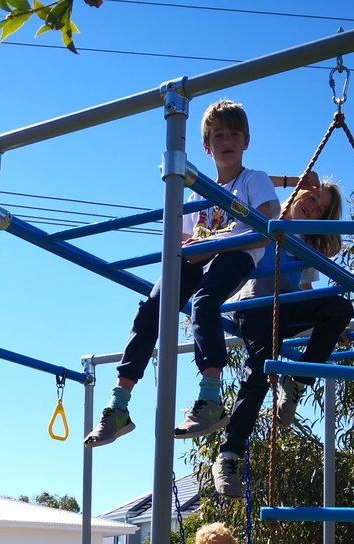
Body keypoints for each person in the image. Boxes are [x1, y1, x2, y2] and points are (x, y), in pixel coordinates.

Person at [84, 99, 279, 448]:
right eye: (218, 135)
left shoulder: (253, 179)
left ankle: (211, 398)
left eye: (234, 134)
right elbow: (184, 238)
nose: (226, 141)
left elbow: (267, 223)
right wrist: (189, 244)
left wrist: (212, 240)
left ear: (246, 141)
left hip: (237, 253)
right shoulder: (197, 192)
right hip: (199, 257)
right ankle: (119, 406)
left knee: (205, 300)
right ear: (207, 146)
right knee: (152, 309)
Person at [212, 172, 354, 498]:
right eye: (312, 197)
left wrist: (331, 324)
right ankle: (229, 454)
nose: (312, 207)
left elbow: (305, 290)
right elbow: (252, 181)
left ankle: (296, 386)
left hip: (286, 308)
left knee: (338, 308)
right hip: (255, 303)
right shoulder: (271, 217)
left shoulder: (307, 251)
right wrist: (294, 181)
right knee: (261, 369)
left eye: (320, 209)